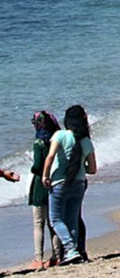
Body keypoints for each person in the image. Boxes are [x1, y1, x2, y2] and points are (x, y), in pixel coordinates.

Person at [42, 105, 95, 265]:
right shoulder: (86, 141)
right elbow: (92, 169)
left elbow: (50, 157)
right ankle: (75, 252)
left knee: (55, 219)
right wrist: (80, 167)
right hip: (79, 183)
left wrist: (45, 175)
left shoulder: (60, 135)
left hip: (59, 183)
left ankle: (70, 250)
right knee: (72, 219)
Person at [26, 111, 63, 268]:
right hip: (54, 180)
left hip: (40, 184)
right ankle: (57, 255)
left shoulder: (38, 144)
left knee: (38, 222)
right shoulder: (55, 140)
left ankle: (38, 259)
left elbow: (37, 166)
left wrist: (31, 165)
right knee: (53, 222)